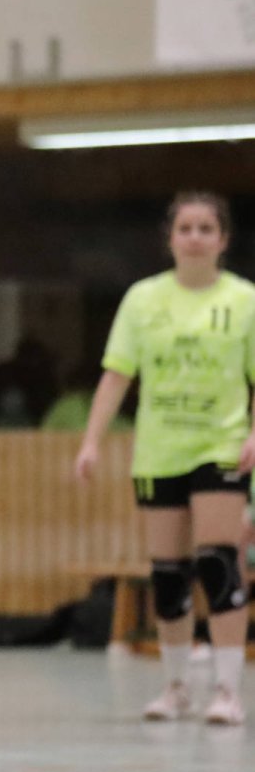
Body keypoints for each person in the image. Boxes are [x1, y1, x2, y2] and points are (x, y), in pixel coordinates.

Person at [75, 192, 253, 726]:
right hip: (160, 451)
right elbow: (116, 374)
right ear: (170, 238)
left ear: (223, 240)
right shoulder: (143, 300)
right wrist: (91, 441)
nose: (195, 237)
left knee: (218, 562)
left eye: (206, 228)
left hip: (220, 446)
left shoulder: (244, 300)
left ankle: (227, 690)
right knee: (169, 573)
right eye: (186, 228)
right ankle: (176, 688)